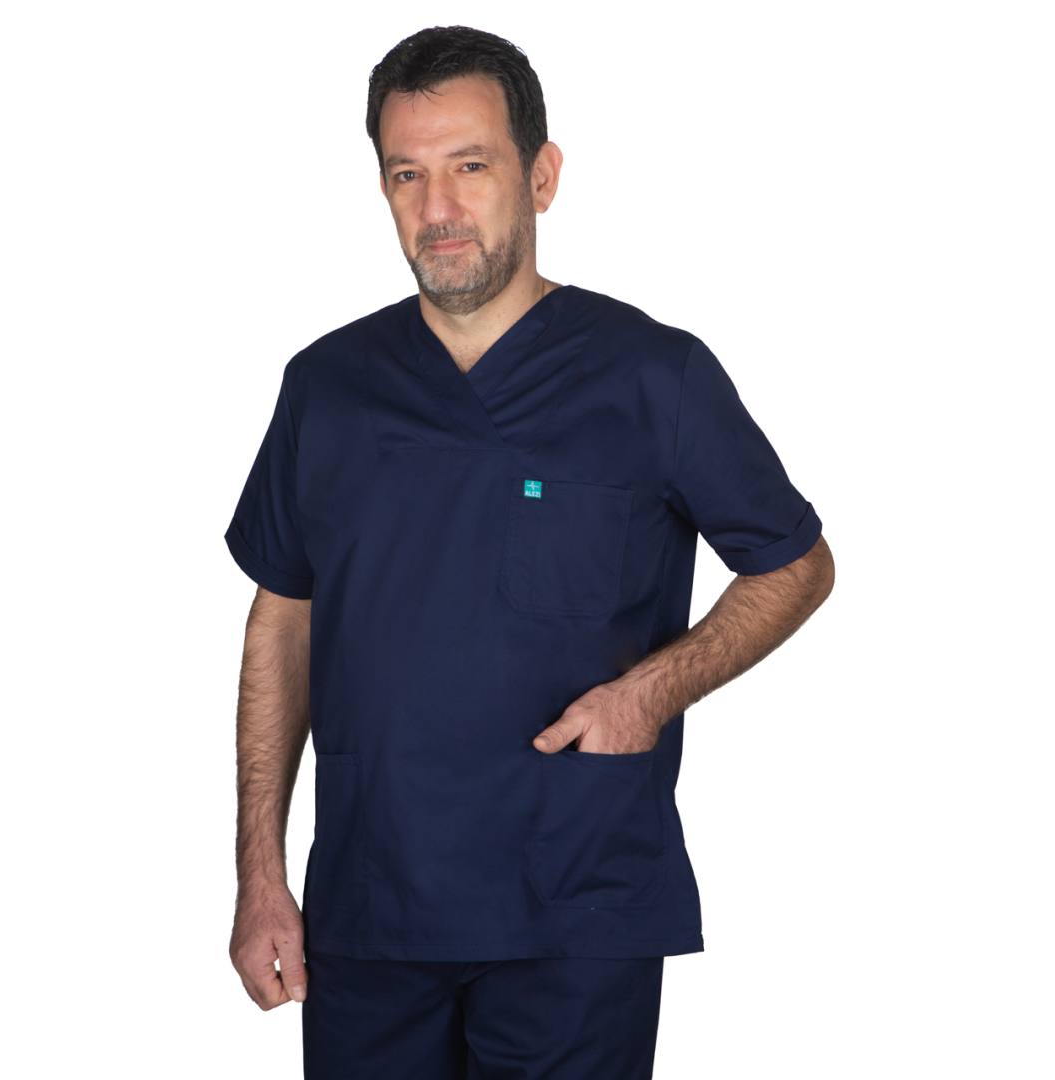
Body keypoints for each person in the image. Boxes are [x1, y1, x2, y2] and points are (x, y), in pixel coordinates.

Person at [224, 24, 835, 1080]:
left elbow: (796, 562)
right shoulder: (327, 388)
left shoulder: (653, 377)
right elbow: (284, 617)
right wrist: (260, 876)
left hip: (577, 909)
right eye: (406, 174)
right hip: (371, 912)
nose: (438, 208)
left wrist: (651, 692)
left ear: (541, 176)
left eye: (470, 166)